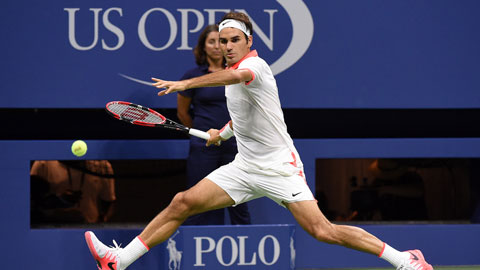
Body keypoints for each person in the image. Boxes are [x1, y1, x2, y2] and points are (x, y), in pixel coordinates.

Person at [85, 12, 434, 270]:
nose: (228, 46)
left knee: (322, 230)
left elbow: (238, 75)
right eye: (224, 41)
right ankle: (120, 259)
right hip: (245, 166)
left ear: (248, 42)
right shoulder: (234, 78)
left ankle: (404, 260)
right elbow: (243, 115)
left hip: (279, 167)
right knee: (182, 202)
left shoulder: (257, 68)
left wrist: (186, 85)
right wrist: (222, 133)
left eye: (235, 40)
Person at [177, 24, 251, 225]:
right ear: (203, 47)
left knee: (239, 201)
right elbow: (183, 113)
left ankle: (243, 245)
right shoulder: (193, 76)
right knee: (199, 200)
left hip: (236, 145)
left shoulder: (240, 73)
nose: (217, 46)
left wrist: (226, 133)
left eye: (222, 41)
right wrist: (202, 134)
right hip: (204, 145)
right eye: (211, 42)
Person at [31, 160, 116, 224]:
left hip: (88, 229)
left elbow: (109, 201)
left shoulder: (102, 165)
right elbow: (30, 204)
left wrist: (101, 223)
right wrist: (58, 201)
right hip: (53, 229)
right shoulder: (43, 163)